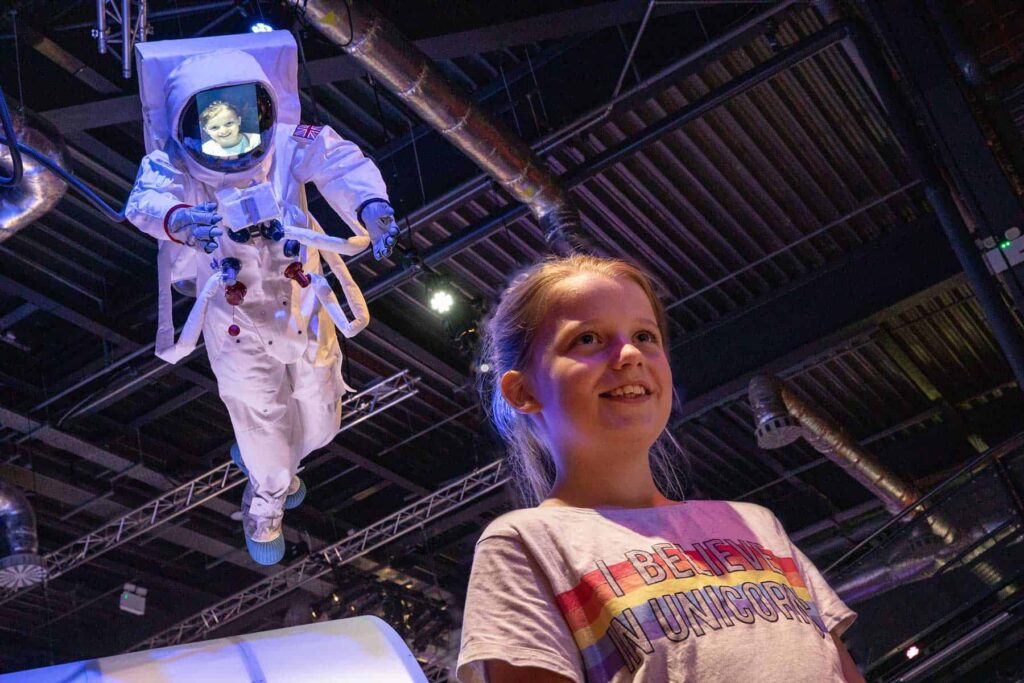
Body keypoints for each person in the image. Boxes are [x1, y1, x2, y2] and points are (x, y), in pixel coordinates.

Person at [456, 254, 865, 683]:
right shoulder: (526, 544)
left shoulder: (757, 526)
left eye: (644, 335)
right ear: (523, 391)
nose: (629, 353)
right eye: (589, 339)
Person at [126, 34, 398, 566]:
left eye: (236, 122)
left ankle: (270, 465)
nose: (228, 136)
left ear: (261, 113)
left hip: (305, 304)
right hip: (236, 322)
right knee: (266, 425)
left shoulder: (289, 144)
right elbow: (146, 199)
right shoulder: (175, 166)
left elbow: (341, 163)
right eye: (214, 127)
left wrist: (372, 207)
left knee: (322, 425)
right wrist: (180, 220)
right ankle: (266, 500)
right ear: (190, 126)